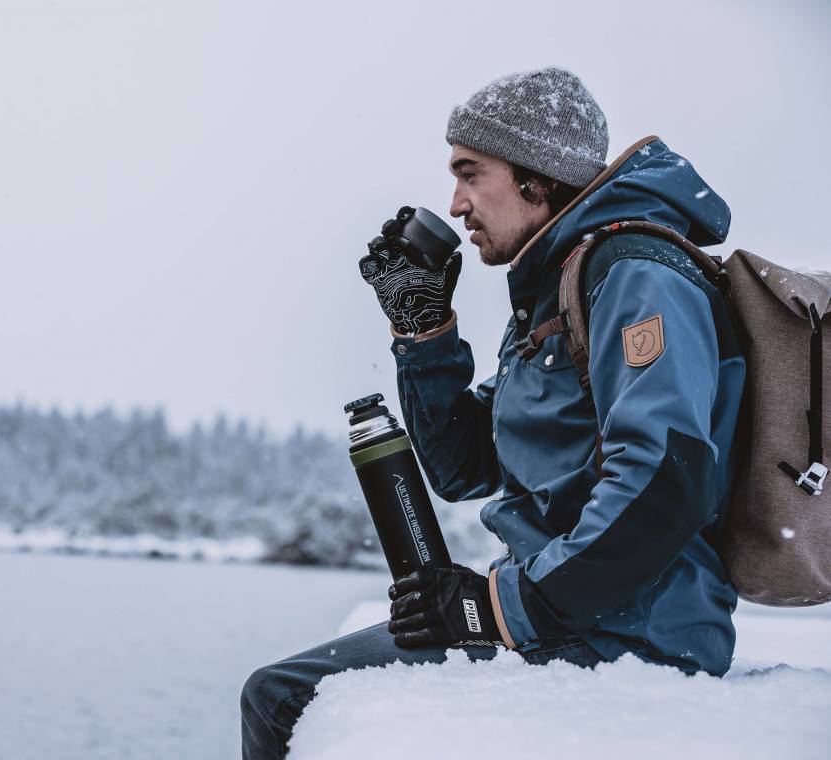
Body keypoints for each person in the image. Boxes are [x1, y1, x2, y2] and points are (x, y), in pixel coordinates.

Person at [240, 66, 745, 760]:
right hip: (567, 623)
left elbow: (663, 477)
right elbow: (466, 468)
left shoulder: (634, 273)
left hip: (631, 639)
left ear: (538, 173)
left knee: (281, 699)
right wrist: (425, 332)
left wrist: (500, 606)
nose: (456, 203)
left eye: (471, 173)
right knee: (277, 694)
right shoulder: (558, 287)